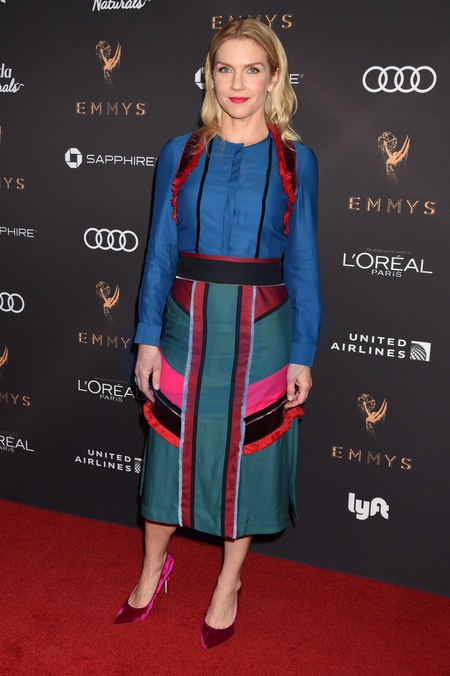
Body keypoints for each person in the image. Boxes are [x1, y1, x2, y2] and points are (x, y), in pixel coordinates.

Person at [114, 18, 321, 649]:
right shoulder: (180, 153)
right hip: (185, 323)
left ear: (273, 78)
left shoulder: (297, 162)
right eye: (225, 68)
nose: (237, 82)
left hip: (264, 329)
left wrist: (303, 352)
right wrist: (147, 335)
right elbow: (159, 251)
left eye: (252, 69)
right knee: (169, 451)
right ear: (210, 76)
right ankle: (153, 567)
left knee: (248, 458)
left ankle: (228, 583)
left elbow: (303, 262)